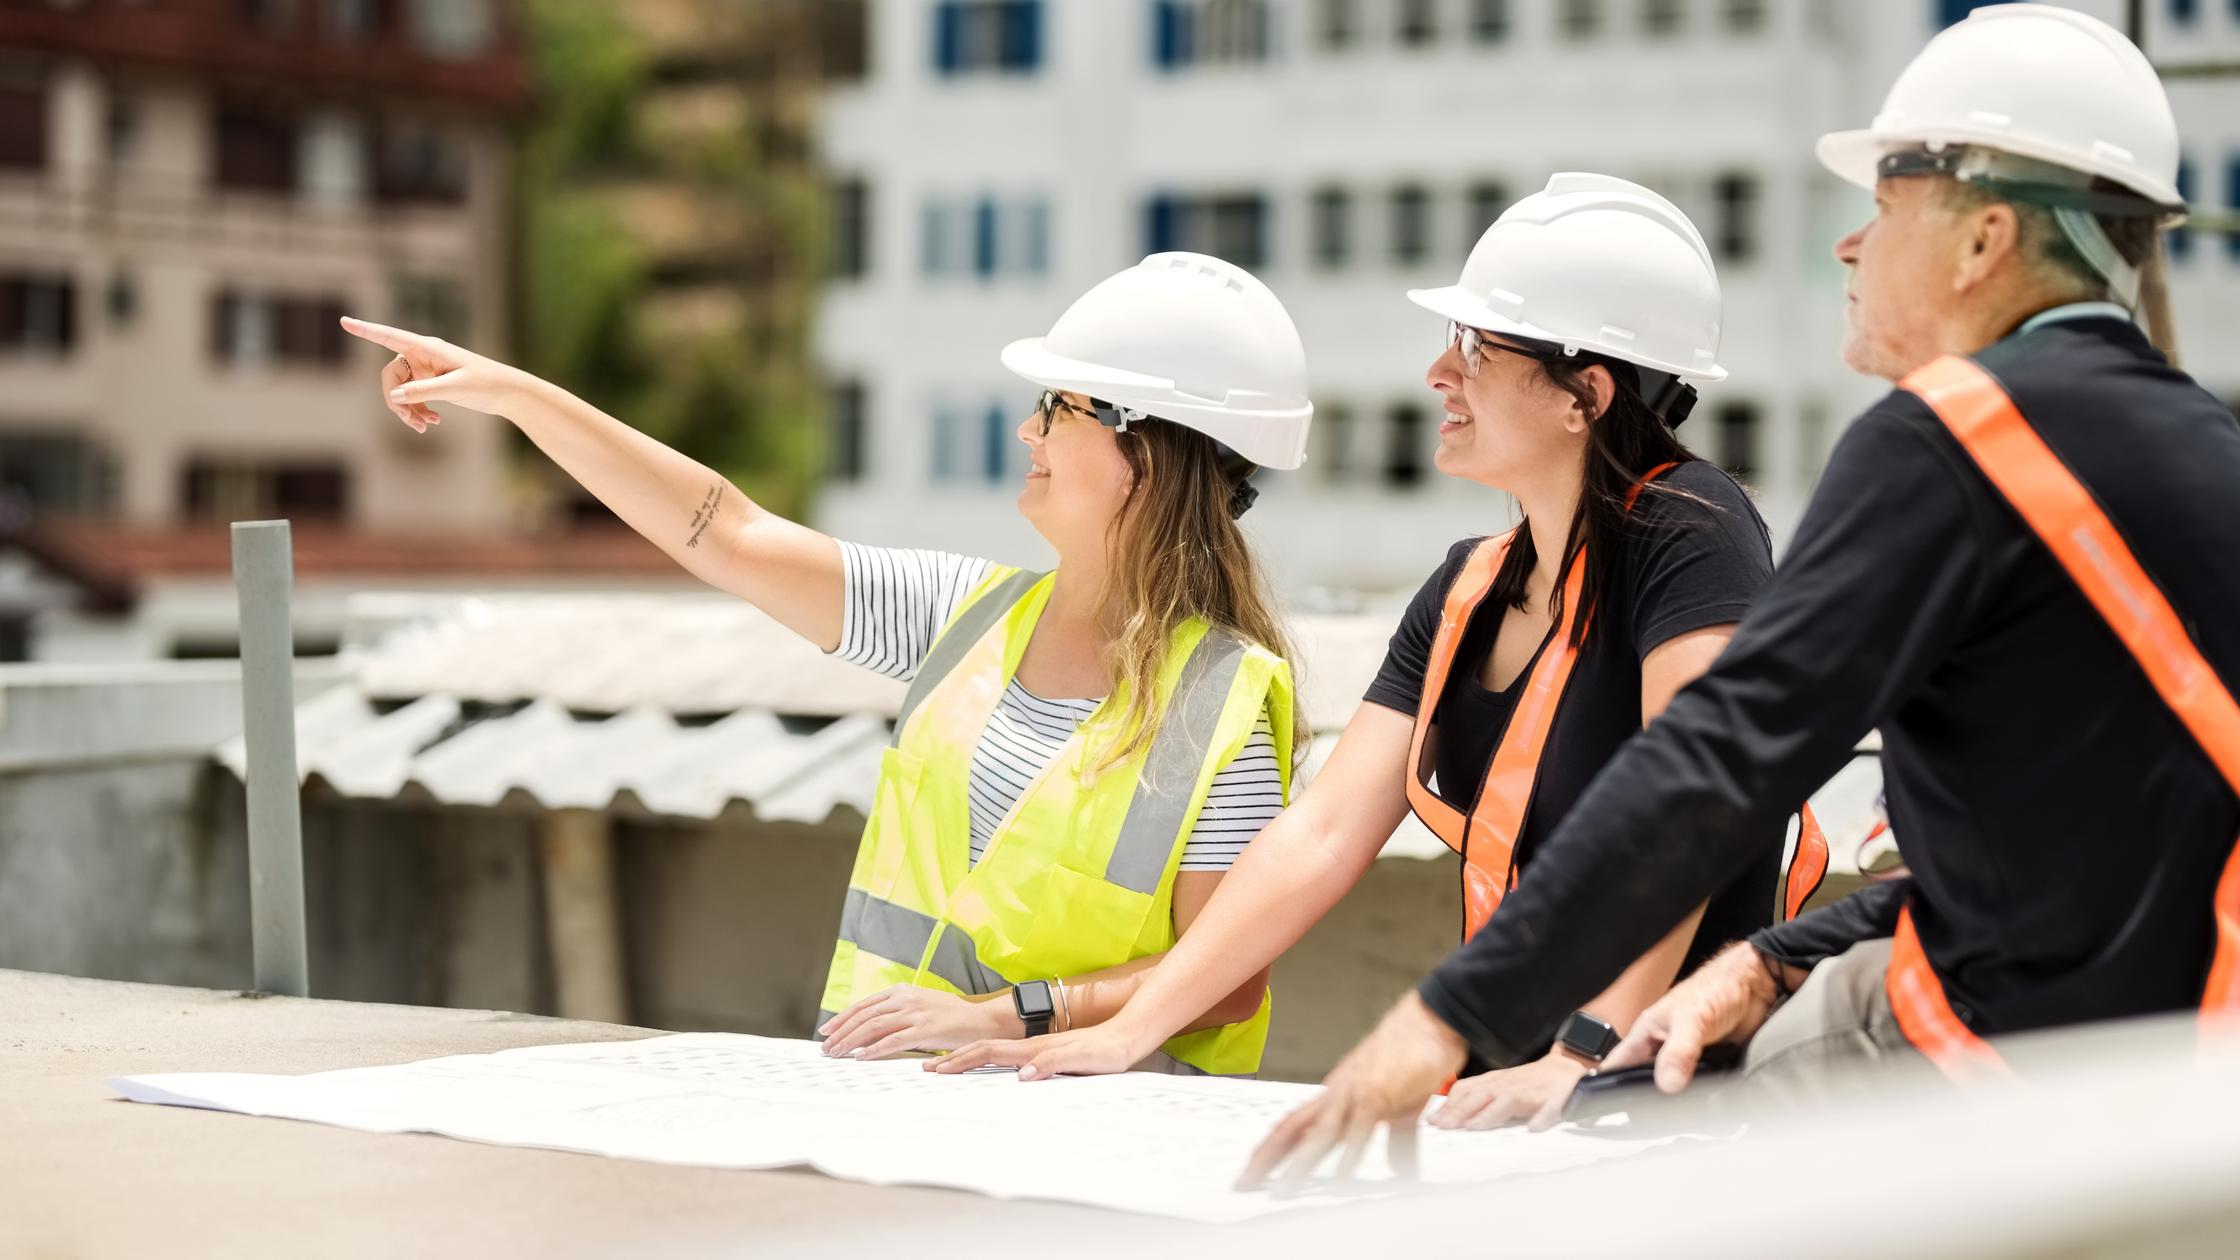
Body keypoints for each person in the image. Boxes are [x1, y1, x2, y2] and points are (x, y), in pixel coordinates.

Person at [1243, 3, 2238, 1186]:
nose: (1846, 246)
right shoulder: (2202, 447)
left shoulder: (1950, 440)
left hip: (2012, 1082)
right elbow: (2064, 854)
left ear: (1980, 241)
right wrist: (1770, 958)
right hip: (2174, 1065)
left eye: (1881, 206)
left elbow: (1714, 766)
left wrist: (1438, 1023)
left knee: (1599, 1158)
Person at [934, 175, 1821, 1127]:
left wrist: (1585, 1052)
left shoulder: (1694, 529)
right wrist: (1128, 1027)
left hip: (1671, 1087)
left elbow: (1700, 803)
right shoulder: (1468, 588)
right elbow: (1321, 836)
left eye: (1478, 348)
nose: (1441, 373)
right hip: (1514, 1083)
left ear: (1586, 394)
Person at [342, 251, 1315, 1076]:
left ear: (1140, 450)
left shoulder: (1217, 703)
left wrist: (1011, 1016)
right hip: (891, 1112)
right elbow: (727, 533)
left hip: (1103, 1162)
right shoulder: (961, 619)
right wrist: (515, 395)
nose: (1029, 431)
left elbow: (1225, 980)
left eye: (1054, 406)